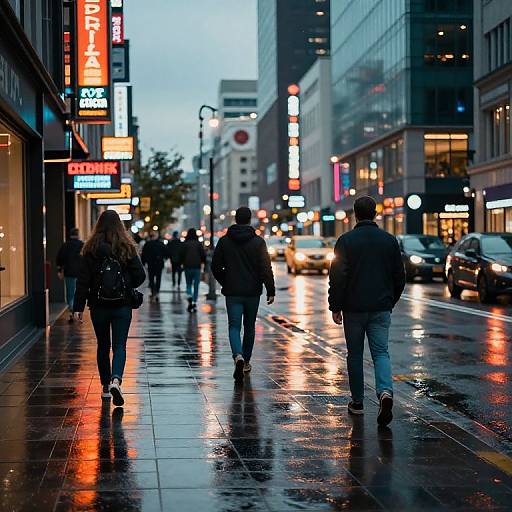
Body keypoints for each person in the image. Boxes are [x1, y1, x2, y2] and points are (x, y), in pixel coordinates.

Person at [328, 196, 405, 426]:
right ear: (375, 214)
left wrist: (336, 306)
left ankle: (358, 403)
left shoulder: (346, 241)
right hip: (381, 307)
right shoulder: (389, 241)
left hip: (354, 309)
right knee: (381, 352)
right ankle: (385, 392)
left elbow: (337, 276)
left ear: (355, 214)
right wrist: (390, 300)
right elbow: (399, 276)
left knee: (355, 354)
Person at [73, 210, 146, 407]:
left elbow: (83, 281)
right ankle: (116, 380)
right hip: (122, 305)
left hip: (98, 305)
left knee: (103, 346)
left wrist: (77, 307)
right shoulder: (126, 247)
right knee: (120, 345)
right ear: (119, 226)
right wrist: (126, 283)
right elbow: (140, 275)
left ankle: (105, 387)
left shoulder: (90, 248)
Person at [212, 207, 275, 382]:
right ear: (249, 220)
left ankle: (237, 355)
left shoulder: (225, 241)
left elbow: (215, 266)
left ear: (235, 219)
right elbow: (265, 268)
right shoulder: (258, 242)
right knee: (249, 327)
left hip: (233, 292)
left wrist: (226, 281)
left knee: (233, 326)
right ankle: (246, 361)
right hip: (252, 292)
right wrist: (270, 289)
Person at [56, 228, 84, 322]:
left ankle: (72, 311)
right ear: (78, 235)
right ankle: (79, 313)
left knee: (70, 294)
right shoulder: (82, 245)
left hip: (69, 273)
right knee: (79, 293)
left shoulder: (65, 245)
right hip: (80, 273)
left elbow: (60, 258)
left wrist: (59, 270)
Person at [181, 228, 206, 312]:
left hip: (187, 266)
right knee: (196, 285)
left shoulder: (185, 244)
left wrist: (182, 263)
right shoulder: (198, 244)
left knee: (188, 284)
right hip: (197, 267)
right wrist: (203, 262)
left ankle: (189, 297)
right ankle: (194, 302)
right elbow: (203, 255)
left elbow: (182, 255)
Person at [141, 230, 167, 302]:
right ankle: (157, 291)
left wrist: (144, 262)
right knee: (158, 278)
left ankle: (153, 291)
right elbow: (166, 253)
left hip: (151, 264)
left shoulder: (147, 244)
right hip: (159, 264)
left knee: (151, 278)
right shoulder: (161, 244)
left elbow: (144, 254)